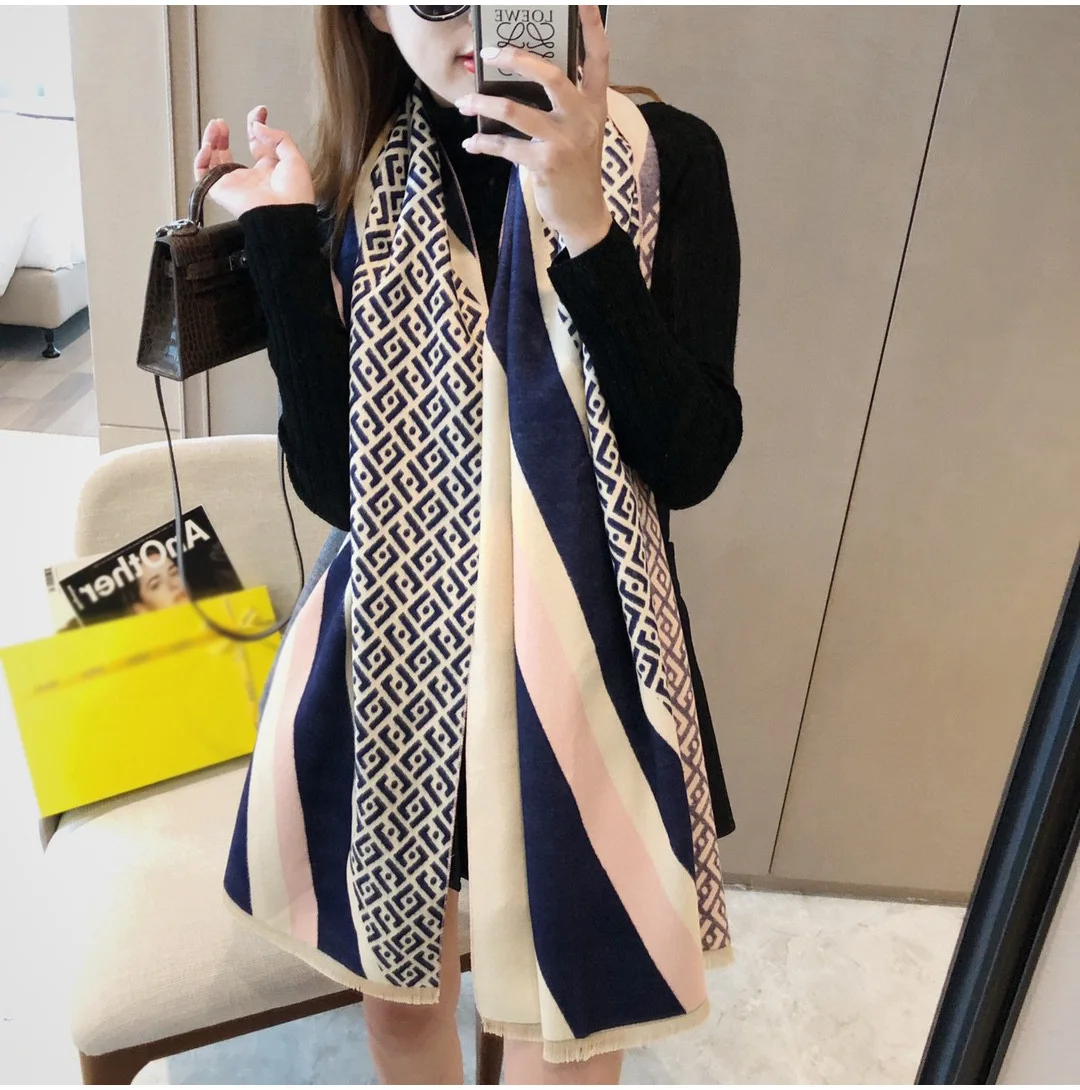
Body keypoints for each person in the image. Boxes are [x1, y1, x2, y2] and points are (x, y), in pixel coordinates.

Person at [198, 6, 742, 1085]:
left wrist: (586, 228)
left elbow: (689, 459)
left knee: (568, 1025)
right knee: (404, 1006)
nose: (479, 17)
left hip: (589, 662)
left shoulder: (669, 160)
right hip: (399, 658)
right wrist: (279, 235)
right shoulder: (358, 183)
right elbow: (339, 486)